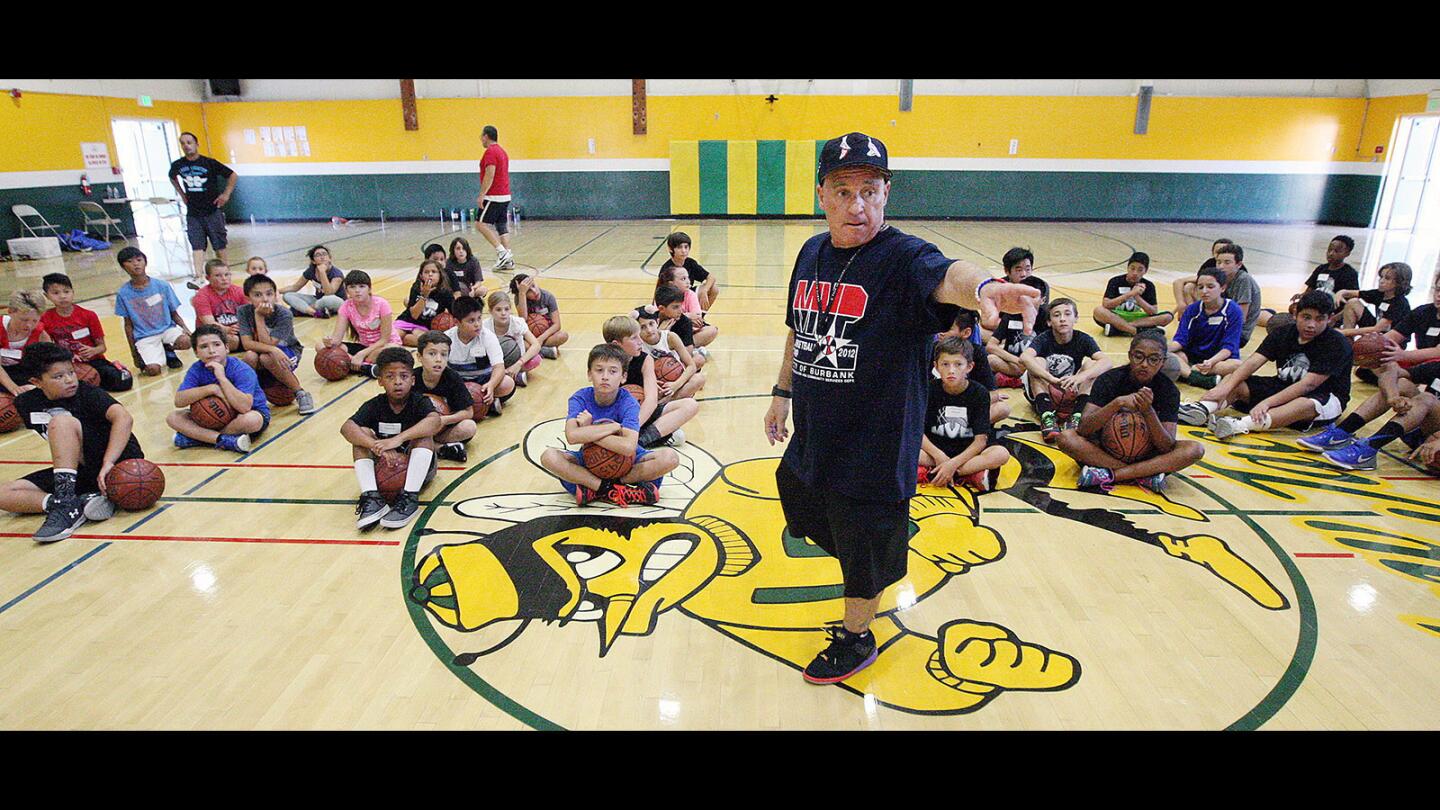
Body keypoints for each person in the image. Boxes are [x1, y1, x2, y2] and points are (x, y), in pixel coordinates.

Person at [763, 131, 1040, 686]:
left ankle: (858, 634)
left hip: (876, 438)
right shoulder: (812, 251)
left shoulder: (904, 257)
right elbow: (800, 328)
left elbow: (949, 276)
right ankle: (866, 560)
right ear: (822, 194)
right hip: (817, 428)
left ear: (887, 192)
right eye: (842, 191)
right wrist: (782, 392)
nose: (856, 205)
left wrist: (983, 285)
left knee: (862, 538)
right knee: (798, 493)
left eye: (869, 190)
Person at [0, 343, 140, 543]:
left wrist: (109, 462)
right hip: (78, 469)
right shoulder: (26, 403)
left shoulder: (88, 392)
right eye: (58, 376)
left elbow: (124, 418)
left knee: (61, 421)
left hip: (116, 464)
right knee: (3, 493)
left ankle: (66, 503)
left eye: (71, 372)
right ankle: (73, 503)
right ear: (36, 382)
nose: (69, 380)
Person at [1178, 290, 1351, 439]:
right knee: (1235, 379)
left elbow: (1308, 385)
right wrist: (1225, 387)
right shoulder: (1283, 333)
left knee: (1304, 404)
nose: (1311, 325)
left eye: (1319, 319)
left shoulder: (1336, 343)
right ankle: (1203, 410)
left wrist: (1267, 402)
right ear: (1295, 314)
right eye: (1306, 317)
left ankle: (1240, 425)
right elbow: (1253, 362)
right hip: (1284, 386)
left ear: (1329, 320)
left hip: (1323, 396)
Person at [539, 344, 680, 507]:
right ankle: (610, 489)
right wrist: (614, 428)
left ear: (623, 377)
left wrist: (588, 428)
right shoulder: (579, 398)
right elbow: (571, 436)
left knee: (670, 458)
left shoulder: (629, 401)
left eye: (613, 371)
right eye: (599, 370)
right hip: (590, 458)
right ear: (589, 374)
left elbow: (628, 446)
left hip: (628, 461)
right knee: (549, 457)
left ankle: (597, 488)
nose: (605, 376)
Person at [1059, 332, 1204, 492]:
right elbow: (1084, 429)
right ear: (1129, 356)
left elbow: (1166, 446)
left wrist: (1148, 411)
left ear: (1162, 362)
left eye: (1153, 359)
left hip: (1147, 454)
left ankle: (1110, 475)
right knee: (1066, 437)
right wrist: (1117, 403)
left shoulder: (1169, 391)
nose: (1144, 364)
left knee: (1194, 449)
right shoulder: (1109, 380)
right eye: (1139, 356)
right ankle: (1143, 475)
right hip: (1105, 452)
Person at [343, 347, 442, 531]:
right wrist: (375, 445)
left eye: (403, 376)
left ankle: (410, 497)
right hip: (386, 465)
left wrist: (397, 440)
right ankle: (372, 497)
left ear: (412, 380)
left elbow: (435, 422)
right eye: (390, 376)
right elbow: (347, 428)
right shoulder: (375, 405)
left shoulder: (419, 401)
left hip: (419, 468)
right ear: (380, 380)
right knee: (361, 434)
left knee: (424, 437)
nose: (398, 382)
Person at [1299, 361, 1440, 470]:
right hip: (1425, 429)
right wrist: (1393, 397)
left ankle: (1370, 449)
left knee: (1426, 398)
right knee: (1402, 384)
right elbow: (1390, 373)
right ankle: (1340, 433)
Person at [918, 337, 1011, 492]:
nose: (951, 370)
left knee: (1001, 454)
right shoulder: (928, 389)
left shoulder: (980, 393)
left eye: (958, 364)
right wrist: (939, 456)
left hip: (967, 453)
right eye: (945, 364)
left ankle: (937, 472)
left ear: (969, 367)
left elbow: (980, 441)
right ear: (936, 367)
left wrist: (952, 465)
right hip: (934, 451)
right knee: (902, 447)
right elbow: (917, 432)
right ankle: (967, 474)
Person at [1018, 298, 1112, 443]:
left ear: (1076, 318)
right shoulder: (1043, 338)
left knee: (1091, 365)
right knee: (1037, 362)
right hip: (1045, 390)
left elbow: (1107, 362)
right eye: (1056, 315)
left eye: (1067, 314)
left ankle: (1076, 416)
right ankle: (1047, 416)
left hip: (1070, 392)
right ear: (1049, 322)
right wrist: (1049, 378)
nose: (1062, 319)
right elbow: (1024, 358)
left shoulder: (1083, 339)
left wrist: (1079, 378)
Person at [168, 324, 269, 454]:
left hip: (246, 415)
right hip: (215, 417)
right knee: (173, 417)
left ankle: (199, 438)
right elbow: (179, 400)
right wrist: (212, 389)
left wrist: (222, 378)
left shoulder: (241, 369)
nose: (211, 350)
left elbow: (244, 407)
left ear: (226, 348)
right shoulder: (196, 369)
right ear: (196, 353)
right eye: (204, 346)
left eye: (216, 344)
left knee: (252, 420)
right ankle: (223, 440)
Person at [605, 313, 699, 449]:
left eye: (639, 336)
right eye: (634, 338)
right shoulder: (604, 362)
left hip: (642, 413)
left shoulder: (645, 359)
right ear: (617, 344)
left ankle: (640, 441)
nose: (640, 341)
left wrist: (633, 427)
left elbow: (651, 401)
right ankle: (655, 436)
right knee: (677, 436)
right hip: (618, 416)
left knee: (690, 405)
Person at [36, 273, 133, 392]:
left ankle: (114, 367)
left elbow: (102, 347)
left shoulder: (88, 315)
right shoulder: (45, 318)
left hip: (94, 360)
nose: (62, 296)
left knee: (123, 382)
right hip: (67, 365)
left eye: (66, 292)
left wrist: (93, 351)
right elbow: (47, 348)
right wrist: (66, 356)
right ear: (47, 296)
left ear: (73, 292)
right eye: (56, 293)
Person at [236, 273, 316, 414]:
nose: (265, 298)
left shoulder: (284, 314)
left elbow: (269, 344)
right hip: (268, 351)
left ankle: (300, 393)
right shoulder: (243, 311)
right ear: (248, 298)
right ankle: (245, 396)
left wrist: (259, 317)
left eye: (269, 294)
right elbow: (247, 344)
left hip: (289, 350)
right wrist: (273, 350)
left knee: (266, 357)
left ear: (275, 295)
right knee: (250, 357)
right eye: (258, 295)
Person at [168, 131, 237, 290]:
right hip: (193, 212)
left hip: (212, 210)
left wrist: (226, 194)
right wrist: (182, 194)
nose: (187, 145)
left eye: (189, 142)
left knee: (219, 244)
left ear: (197, 144)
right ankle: (198, 276)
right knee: (197, 245)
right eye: (183, 143)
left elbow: (232, 175)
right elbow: (172, 177)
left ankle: (225, 273)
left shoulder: (209, 163)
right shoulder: (178, 165)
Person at [114, 247, 193, 376]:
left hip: (167, 330)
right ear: (123, 267)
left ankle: (169, 349)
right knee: (153, 371)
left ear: (145, 262)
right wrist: (134, 353)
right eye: (130, 261)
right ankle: (157, 353)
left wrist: (186, 329)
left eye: (139, 260)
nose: (136, 264)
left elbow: (174, 313)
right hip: (145, 336)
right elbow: (128, 325)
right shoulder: (123, 294)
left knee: (186, 341)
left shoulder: (162, 286)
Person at [1164, 267, 1244, 389]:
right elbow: (1181, 340)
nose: (1204, 291)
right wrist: (1162, 348)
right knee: (1169, 355)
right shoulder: (1192, 310)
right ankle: (1197, 378)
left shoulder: (1233, 310)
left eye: (1210, 287)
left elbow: (1229, 347)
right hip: (1191, 358)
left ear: (1222, 288)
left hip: (1218, 361)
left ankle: (1187, 374)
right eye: (1200, 287)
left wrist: (1211, 362)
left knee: (1238, 365)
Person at [1260, 235, 1358, 332]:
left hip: (1331, 314)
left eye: (1337, 251)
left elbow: (1351, 303)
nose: (1331, 254)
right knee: (1290, 311)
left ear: (1347, 253)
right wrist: (1301, 296)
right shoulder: (1321, 268)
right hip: (1313, 309)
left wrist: (1335, 318)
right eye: (1329, 250)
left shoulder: (1349, 274)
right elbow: (1310, 290)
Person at [412, 330, 478, 463]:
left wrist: (444, 420)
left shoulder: (452, 378)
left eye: (444, 355)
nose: (438, 359)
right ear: (419, 357)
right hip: (416, 429)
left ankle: (430, 446)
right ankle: (442, 449)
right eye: (432, 354)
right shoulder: (411, 379)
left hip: (442, 429)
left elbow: (468, 412)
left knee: (469, 427)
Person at [320, 270, 401, 378]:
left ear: (369, 289)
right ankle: (366, 368)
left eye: (362, 286)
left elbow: (384, 339)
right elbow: (337, 339)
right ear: (347, 290)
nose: (357, 291)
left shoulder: (381, 304)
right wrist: (329, 342)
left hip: (384, 345)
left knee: (382, 353)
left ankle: (350, 365)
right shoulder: (346, 306)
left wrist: (361, 354)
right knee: (320, 346)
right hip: (364, 345)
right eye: (352, 287)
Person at [938, 309, 1010, 424]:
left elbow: (992, 393)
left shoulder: (977, 353)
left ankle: (962, 428)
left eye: (948, 329)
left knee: (1003, 409)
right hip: (936, 408)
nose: (940, 332)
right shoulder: (932, 349)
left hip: (965, 409)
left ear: (966, 333)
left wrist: (968, 405)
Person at [444, 296, 514, 409]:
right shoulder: (446, 338)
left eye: (479, 318)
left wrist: (491, 385)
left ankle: (480, 403)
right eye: (471, 320)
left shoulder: (488, 336)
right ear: (457, 322)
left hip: (483, 382)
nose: (477, 324)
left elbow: (499, 367)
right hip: (458, 384)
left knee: (507, 383)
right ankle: (487, 406)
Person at [1093, 252, 1173, 336]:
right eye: (1132, 268)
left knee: (1167, 317)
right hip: (1117, 316)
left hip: (1138, 319)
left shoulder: (1149, 285)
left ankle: (1120, 329)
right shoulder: (1115, 281)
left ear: (1145, 271)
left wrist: (1137, 297)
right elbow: (1106, 304)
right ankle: (1137, 331)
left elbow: (1153, 311)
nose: (1135, 273)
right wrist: (1130, 294)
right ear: (1127, 268)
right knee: (1098, 311)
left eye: (1140, 270)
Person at [474, 125, 516, 272]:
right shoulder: (502, 152)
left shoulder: (491, 152)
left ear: (486, 136)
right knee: (501, 226)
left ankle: (502, 252)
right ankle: (508, 258)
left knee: (480, 224)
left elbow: (490, 174)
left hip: (494, 196)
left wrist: (481, 195)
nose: (481, 140)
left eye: (481, 137)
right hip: (505, 195)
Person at [484, 290, 542, 387]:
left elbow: (536, 344)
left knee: (536, 359)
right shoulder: (485, 327)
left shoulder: (517, 322)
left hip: (517, 361)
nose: (503, 313)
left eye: (506, 309)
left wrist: (518, 364)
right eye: (498, 310)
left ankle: (510, 375)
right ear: (490, 311)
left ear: (511, 309)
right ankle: (514, 377)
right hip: (495, 364)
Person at [1339, 261, 1412, 336]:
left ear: (1399, 282)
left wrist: (1345, 332)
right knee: (1353, 302)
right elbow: (1349, 293)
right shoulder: (1379, 294)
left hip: (1390, 337)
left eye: (1387, 278)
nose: (1381, 281)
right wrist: (1340, 293)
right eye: (1381, 277)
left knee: (1348, 332)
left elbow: (1379, 328)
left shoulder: (1400, 303)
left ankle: (1345, 334)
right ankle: (1347, 340)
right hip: (1376, 328)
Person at [656, 264, 718, 349]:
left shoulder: (690, 294)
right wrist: (687, 316)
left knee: (712, 330)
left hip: (686, 331)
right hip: (669, 330)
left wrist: (680, 318)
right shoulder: (663, 295)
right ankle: (676, 347)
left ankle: (681, 347)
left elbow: (697, 318)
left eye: (688, 278)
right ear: (671, 283)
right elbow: (660, 317)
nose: (688, 281)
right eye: (683, 279)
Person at [192, 258, 249, 351]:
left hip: (235, 330)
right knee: (232, 340)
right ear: (208, 278)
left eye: (227, 274)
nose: (224, 279)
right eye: (218, 275)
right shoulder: (201, 296)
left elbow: (248, 315)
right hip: (211, 332)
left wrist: (239, 326)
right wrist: (227, 329)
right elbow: (209, 323)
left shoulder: (239, 291)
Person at [1, 289, 51, 396]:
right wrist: (14, 388)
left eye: (34, 321)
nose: (29, 325)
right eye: (24, 320)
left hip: (22, 371)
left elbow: (51, 359)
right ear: (10, 312)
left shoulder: (40, 334)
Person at [396, 260, 455, 347]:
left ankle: (405, 339)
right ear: (421, 276)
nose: (430, 274)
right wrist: (424, 295)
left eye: (434, 272)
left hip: (424, 327)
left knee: (427, 343)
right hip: (406, 321)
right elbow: (414, 315)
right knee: (394, 338)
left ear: (440, 275)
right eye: (426, 272)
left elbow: (455, 313)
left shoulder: (445, 293)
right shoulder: (416, 287)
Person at [511, 273, 569, 359]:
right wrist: (522, 294)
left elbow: (557, 325)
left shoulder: (548, 297)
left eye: (534, 286)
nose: (534, 291)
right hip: (529, 336)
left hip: (546, 335)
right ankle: (544, 350)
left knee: (563, 336)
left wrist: (540, 340)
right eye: (528, 291)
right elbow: (523, 319)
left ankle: (534, 350)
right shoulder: (519, 298)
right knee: (514, 342)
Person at [659, 231, 720, 310]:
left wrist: (704, 291)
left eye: (686, 247)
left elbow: (711, 277)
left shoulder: (690, 263)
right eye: (679, 247)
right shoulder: (667, 269)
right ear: (671, 249)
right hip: (673, 299)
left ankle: (699, 318)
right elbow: (662, 294)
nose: (683, 251)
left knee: (713, 289)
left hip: (688, 294)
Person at [1215, 243, 1262, 345]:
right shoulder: (1221, 278)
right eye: (1218, 262)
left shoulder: (1243, 280)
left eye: (1227, 262)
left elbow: (1241, 318)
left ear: (1239, 264)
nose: (1221, 266)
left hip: (1238, 333)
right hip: (1222, 325)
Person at [281, 245, 345, 318]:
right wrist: (275, 291)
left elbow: (329, 293)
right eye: (318, 255)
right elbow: (295, 287)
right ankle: (314, 312)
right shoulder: (311, 271)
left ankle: (302, 309)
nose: (322, 257)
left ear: (329, 258)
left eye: (324, 254)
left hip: (335, 302)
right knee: (287, 295)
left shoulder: (336, 274)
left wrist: (322, 273)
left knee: (328, 300)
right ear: (313, 261)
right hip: (318, 300)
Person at [1173, 238, 1236, 309]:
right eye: (1218, 252)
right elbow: (1178, 282)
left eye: (1225, 251)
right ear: (1213, 253)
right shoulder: (1210, 264)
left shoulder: (1241, 275)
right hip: (1214, 298)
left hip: (1232, 301)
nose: (1221, 254)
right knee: (1189, 287)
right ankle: (1192, 312)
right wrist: (1181, 304)